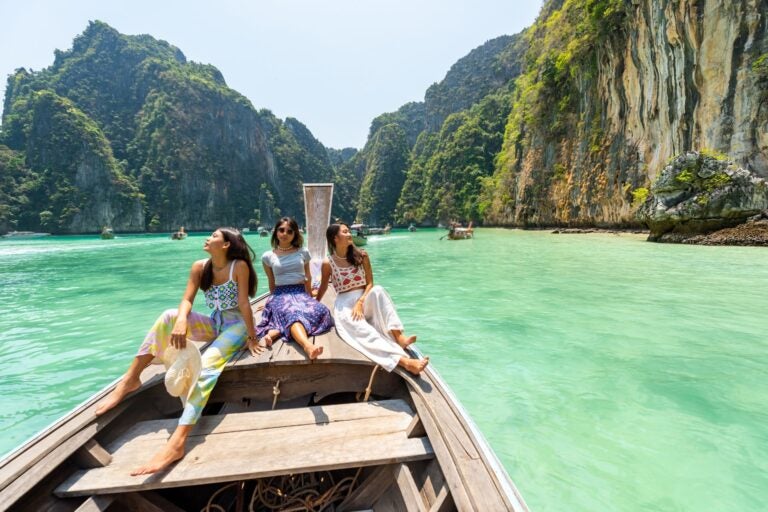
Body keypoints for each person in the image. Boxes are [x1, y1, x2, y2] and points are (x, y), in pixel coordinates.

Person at [95, 227, 261, 475]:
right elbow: (187, 299)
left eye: (215, 236)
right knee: (168, 316)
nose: (208, 238)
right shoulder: (200, 267)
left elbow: (244, 304)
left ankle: (178, 441)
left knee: (207, 364)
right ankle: (131, 379)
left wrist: (252, 336)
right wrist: (182, 319)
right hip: (215, 323)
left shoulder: (239, 267)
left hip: (236, 326)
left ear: (226, 245)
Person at [316, 223, 428, 375]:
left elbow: (370, 283)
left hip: (365, 297)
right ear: (335, 238)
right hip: (344, 304)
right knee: (363, 331)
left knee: (378, 290)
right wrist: (313, 305)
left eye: (349, 231)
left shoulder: (362, 255)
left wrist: (360, 302)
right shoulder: (328, 263)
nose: (349, 234)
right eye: (345, 232)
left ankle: (399, 337)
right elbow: (323, 287)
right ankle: (406, 362)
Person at [256, 217, 333, 359]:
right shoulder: (268, 256)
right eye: (281, 230)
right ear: (276, 232)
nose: (285, 233)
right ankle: (308, 346)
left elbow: (308, 277)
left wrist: (309, 295)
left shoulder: (303, 252)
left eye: (289, 231)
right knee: (293, 312)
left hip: (300, 292)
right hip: (280, 294)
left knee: (321, 310)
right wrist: (270, 302)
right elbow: (271, 281)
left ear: (295, 234)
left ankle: (277, 332)